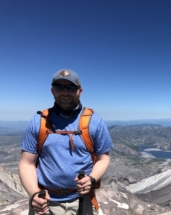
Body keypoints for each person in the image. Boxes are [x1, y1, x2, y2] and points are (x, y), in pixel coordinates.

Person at [18, 69, 114, 215]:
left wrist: (92, 179)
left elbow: (103, 158)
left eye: (71, 87)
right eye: (59, 87)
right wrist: (34, 194)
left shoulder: (95, 122)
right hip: (45, 200)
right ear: (52, 91)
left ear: (79, 91)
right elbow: (27, 163)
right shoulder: (38, 122)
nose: (65, 92)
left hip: (82, 199)